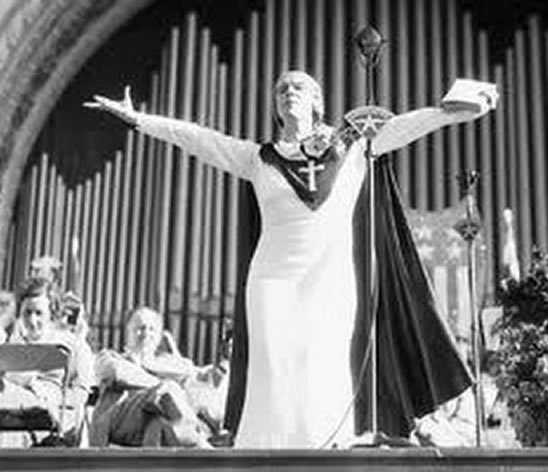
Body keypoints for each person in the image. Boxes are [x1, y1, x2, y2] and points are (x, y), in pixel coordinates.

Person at [85, 70, 498, 448]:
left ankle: (323, 452)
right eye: (280, 89)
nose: (287, 93)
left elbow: (409, 124)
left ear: (317, 100)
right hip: (271, 278)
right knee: (274, 367)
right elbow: (200, 139)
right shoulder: (258, 158)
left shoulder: (353, 145)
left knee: (325, 363)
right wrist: (140, 120)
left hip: (331, 277)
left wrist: (456, 110)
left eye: (297, 86)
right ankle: (266, 455)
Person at [90, 306, 212, 447]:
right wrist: (158, 384)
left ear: (159, 337)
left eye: (152, 329)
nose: (146, 333)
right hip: (119, 422)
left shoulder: (168, 364)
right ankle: (201, 444)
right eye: (140, 328)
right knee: (168, 390)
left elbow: (195, 379)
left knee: (159, 420)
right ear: (128, 333)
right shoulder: (111, 358)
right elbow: (115, 372)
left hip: (151, 423)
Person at [0, 277, 94, 445]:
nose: (32, 320)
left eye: (39, 313)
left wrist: (53, 403)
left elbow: (81, 392)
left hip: (48, 411)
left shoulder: (71, 344)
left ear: (51, 312)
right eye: (27, 313)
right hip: (10, 412)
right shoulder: (11, 345)